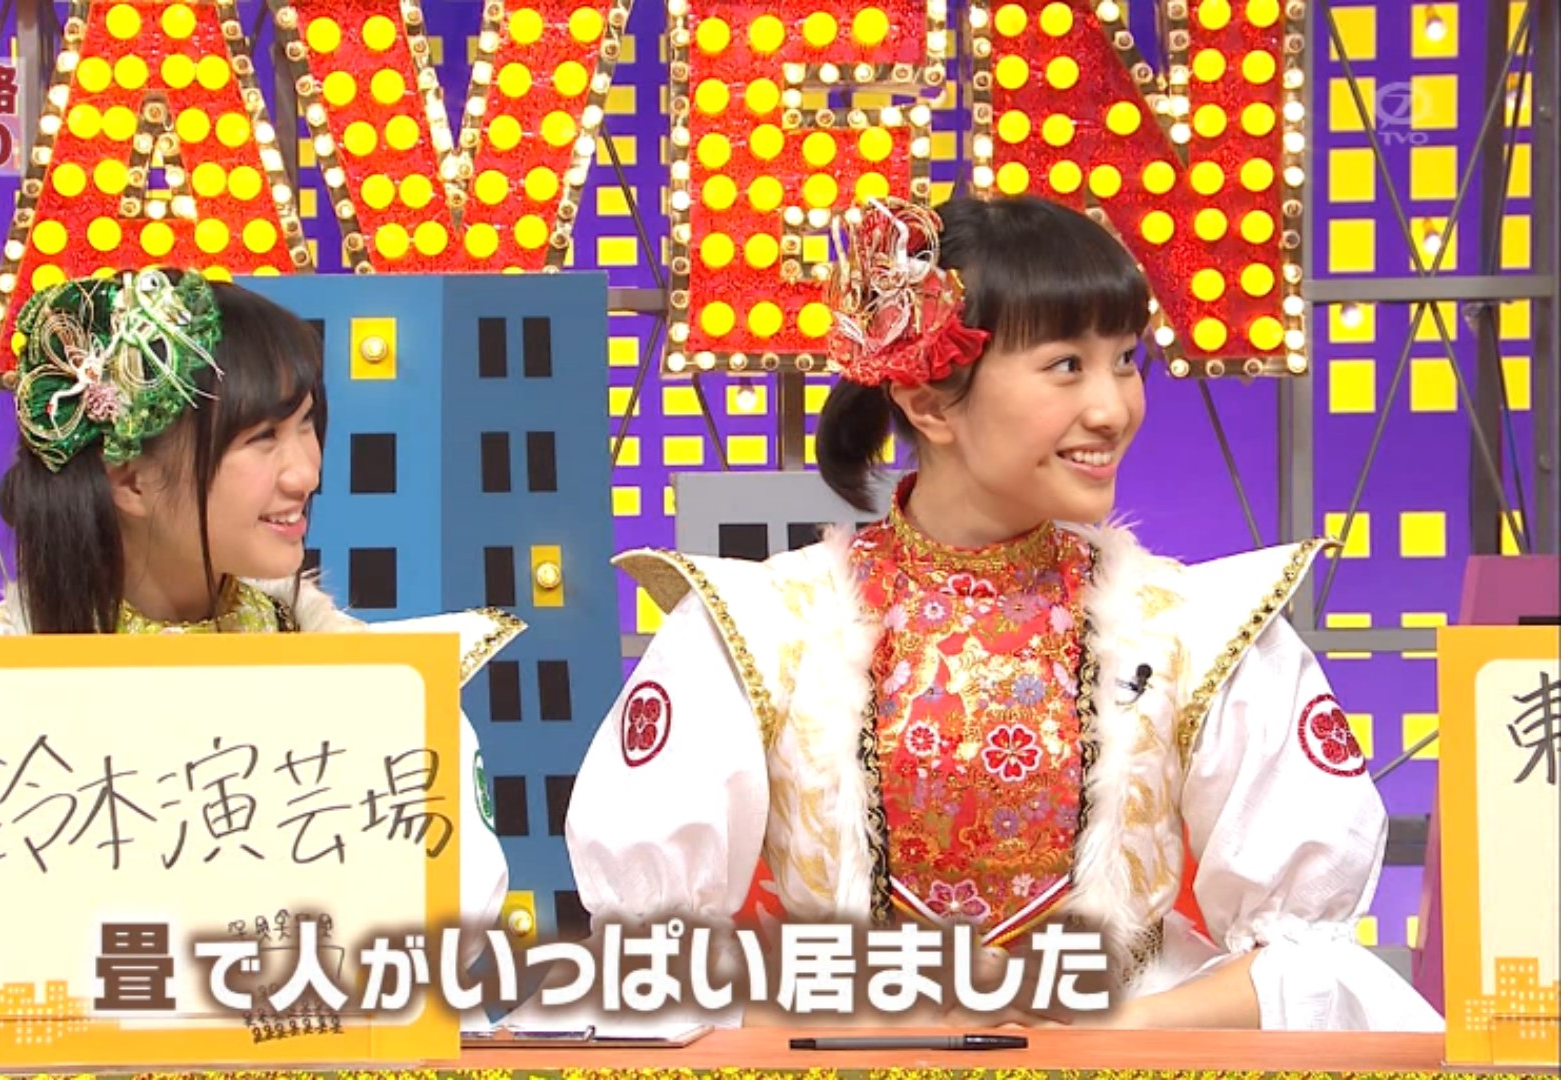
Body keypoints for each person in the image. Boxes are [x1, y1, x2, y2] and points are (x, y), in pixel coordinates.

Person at [556, 196, 1442, 1031]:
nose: (1113, 408)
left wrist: (1098, 1037)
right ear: (928, 403)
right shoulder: (760, 626)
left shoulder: (1199, 625)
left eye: (1124, 360)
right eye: (1066, 366)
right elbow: (654, 957)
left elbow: (1306, 955)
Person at [0, 269, 518, 1043]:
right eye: (262, 438)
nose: (306, 472)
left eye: (307, 426)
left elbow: (430, 963)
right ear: (131, 480)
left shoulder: (382, 692)